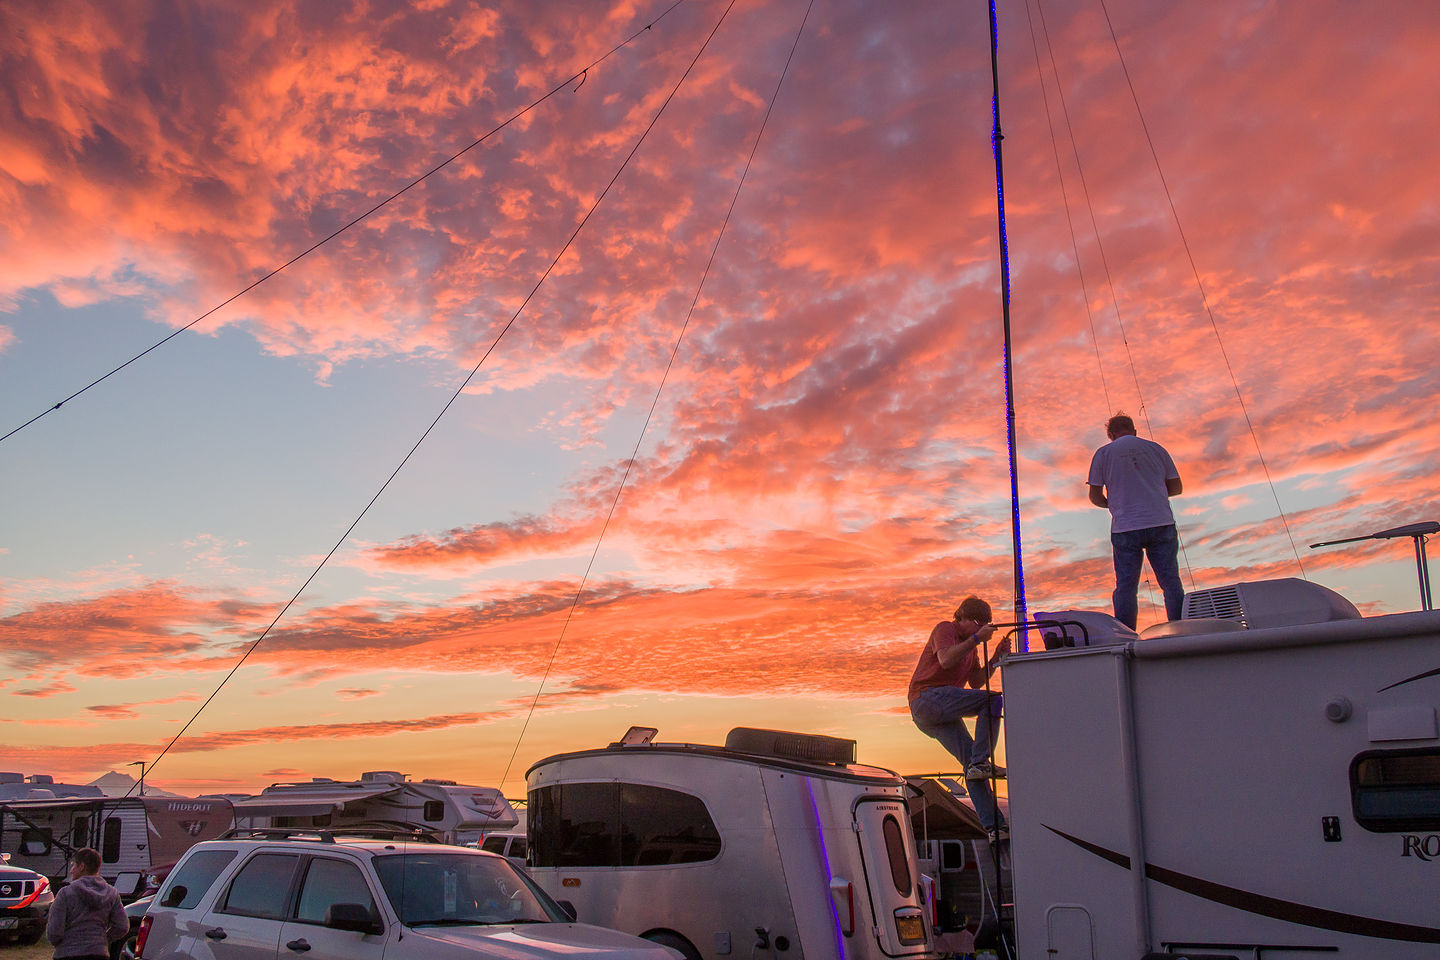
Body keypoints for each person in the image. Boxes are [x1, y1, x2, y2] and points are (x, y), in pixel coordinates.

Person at [908, 596, 1011, 835]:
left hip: (938, 711)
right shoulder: (946, 629)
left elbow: (975, 683)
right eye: (978, 623)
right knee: (993, 700)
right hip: (927, 699)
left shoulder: (971, 649)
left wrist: (995, 659)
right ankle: (980, 761)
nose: (980, 628)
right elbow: (945, 660)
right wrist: (976, 639)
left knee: (971, 768)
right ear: (962, 617)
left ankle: (994, 827)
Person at [1087, 413, 1184, 628]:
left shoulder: (1103, 454)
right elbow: (1176, 487)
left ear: (1110, 435)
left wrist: (1113, 505)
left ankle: (1127, 634)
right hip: (1160, 522)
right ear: (1135, 430)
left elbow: (1095, 496)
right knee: (1170, 583)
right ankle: (1180, 629)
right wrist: (1152, 495)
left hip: (1125, 527)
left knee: (1126, 586)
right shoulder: (1156, 449)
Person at [45, 847, 127, 960]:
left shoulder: (65, 893)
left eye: (73, 865)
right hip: (99, 953)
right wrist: (103, 939)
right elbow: (122, 926)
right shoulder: (112, 894)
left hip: (67, 954)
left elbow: (55, 932)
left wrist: (61, 943)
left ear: (82, 866)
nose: (71, 870)